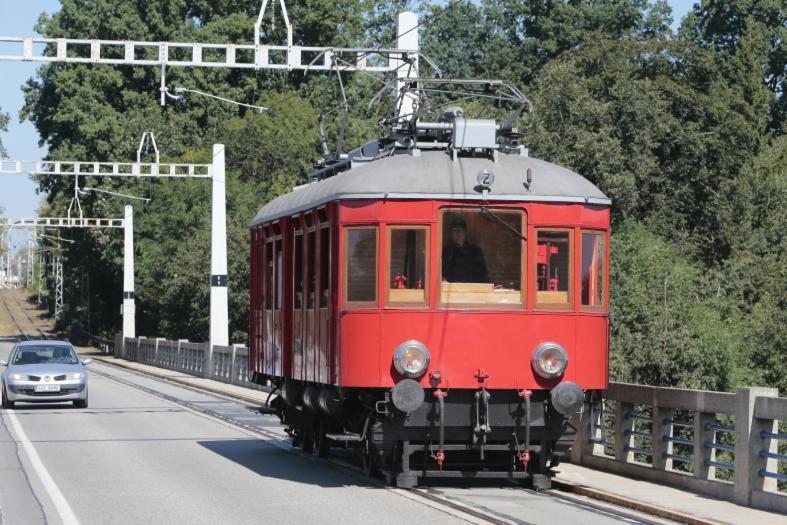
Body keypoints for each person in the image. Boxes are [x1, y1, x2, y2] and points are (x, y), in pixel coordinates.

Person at [442, 217, 489, 283]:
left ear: (465, 232)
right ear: (451, 234)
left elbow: (483, 274)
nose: (458, 233)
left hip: (472, 290)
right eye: (454, 231)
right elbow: (440, 273)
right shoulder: (445, 251)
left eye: (460, 230)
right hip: (451, 290)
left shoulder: (475, 251)